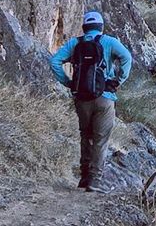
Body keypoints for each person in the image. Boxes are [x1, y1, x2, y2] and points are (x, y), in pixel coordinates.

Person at [50, 10, 133, 191]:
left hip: (82, 98)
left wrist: (69, 82)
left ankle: (83, 178)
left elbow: (54, 61)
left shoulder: (75, 43)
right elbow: (127, 58)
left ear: (84, 27)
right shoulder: (109, 42)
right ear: (101, 27)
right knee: (100, 140)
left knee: (85, 136)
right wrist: (118, 80)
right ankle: (95, 180)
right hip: (105, 97)